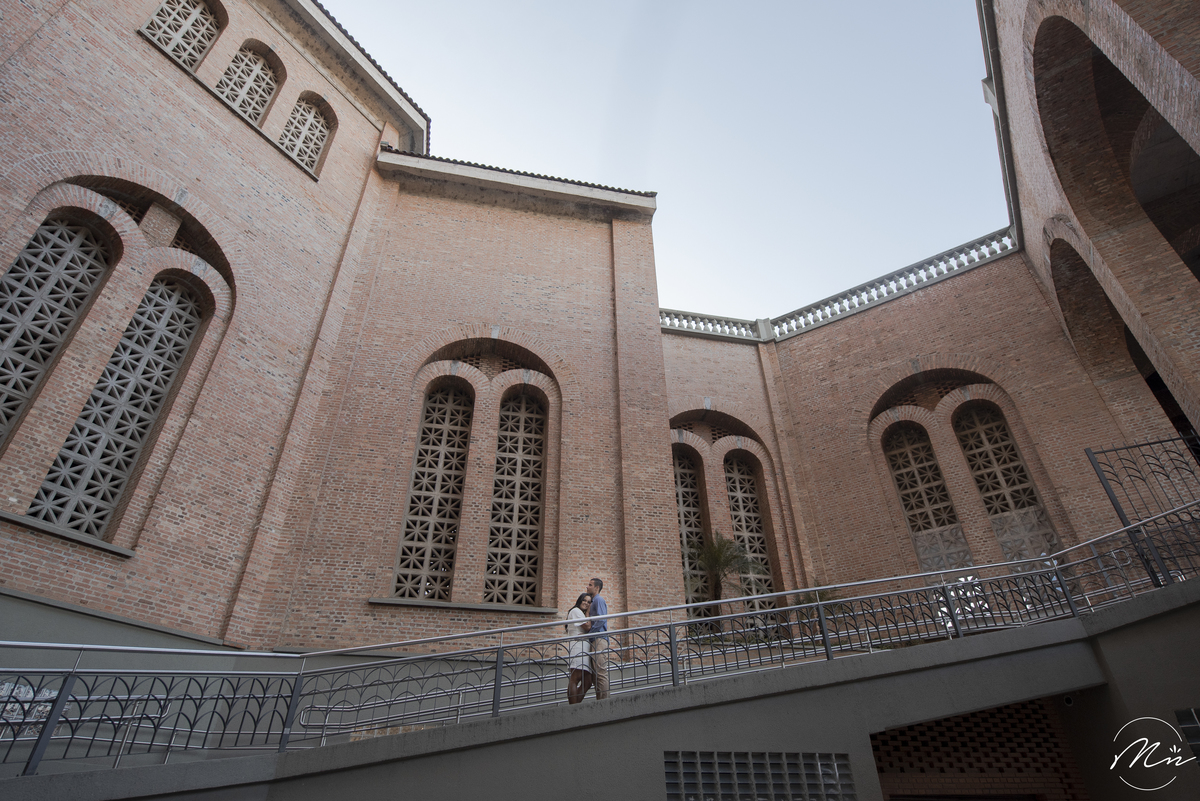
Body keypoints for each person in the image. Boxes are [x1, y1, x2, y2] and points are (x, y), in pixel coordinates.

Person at [565, 592, 592, 704]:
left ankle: (576, 705)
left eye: (589, 602)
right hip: (577, 647)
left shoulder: (580, 613)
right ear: (579, 600)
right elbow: (588, 626)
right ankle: (573, 708)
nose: (586, 603)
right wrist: (589, 613)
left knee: (588, 681)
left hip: (584, 648)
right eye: (584, 600)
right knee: (575, 678)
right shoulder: (576, 611)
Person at [586, 577, 609, 699]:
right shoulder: (593, 601)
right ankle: (600, 700)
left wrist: (589, 634)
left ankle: (604, 702)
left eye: (590, 585)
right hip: (595, 639)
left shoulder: (599, 600)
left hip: (599, 638)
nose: (587, 587)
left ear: (597, 588)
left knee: (600, 672)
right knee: (595, 674)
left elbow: (601, 620)